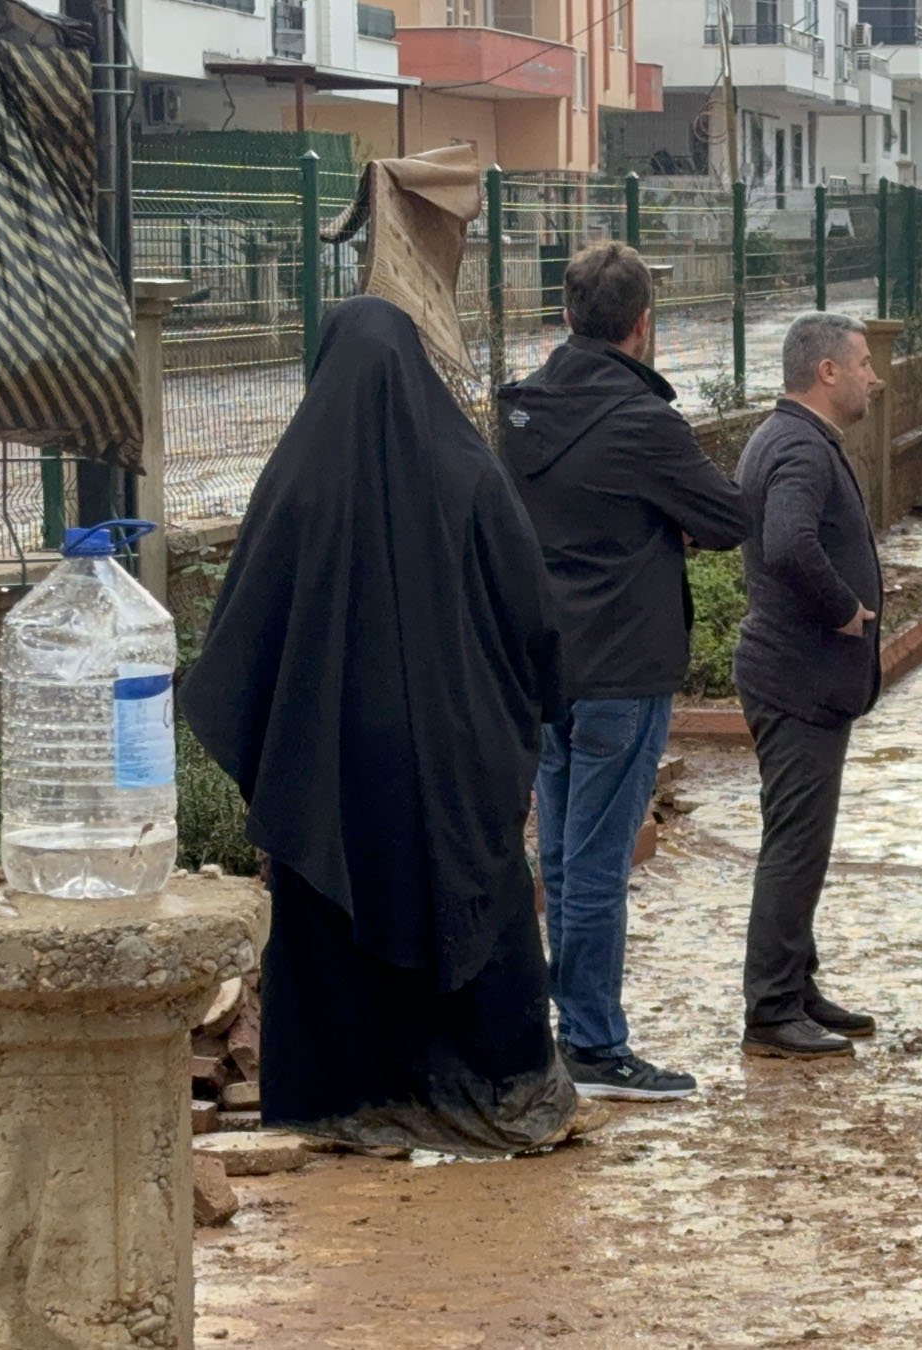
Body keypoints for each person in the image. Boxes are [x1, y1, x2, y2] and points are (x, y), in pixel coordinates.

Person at [181, 297, 585, 1158]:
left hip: (326, 761)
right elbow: (529, 613)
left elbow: (237, 634)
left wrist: (277, 745)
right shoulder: (470, 472)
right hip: (454, 754)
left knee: (332, 915)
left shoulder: (294, 481)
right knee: (476, 904)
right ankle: (509, 1096)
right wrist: (535, 706)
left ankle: (342, 1103)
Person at [498, 241, 749, 1102]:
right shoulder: (644, 422)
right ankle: (597, 1046)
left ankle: (564, 1031)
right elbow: (726, 518)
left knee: (563, 858)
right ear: (644, 325)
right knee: (597, 863)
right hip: (621, 669)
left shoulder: (520, 413)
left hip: (544, 666)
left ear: (566, 317)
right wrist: (660, 520)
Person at [732, 312, 885, 1060]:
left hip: (798, 675)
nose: (873, 375)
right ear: (827, 372)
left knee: (804, 839)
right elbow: (786, 541)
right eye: (862, 363)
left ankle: (797, 984)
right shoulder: (798, 444)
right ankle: (770, 1010)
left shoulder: (790, 435)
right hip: (799, 674)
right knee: (795, 844)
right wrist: (846, 611)